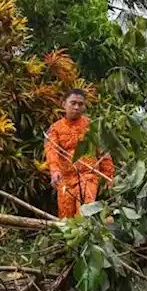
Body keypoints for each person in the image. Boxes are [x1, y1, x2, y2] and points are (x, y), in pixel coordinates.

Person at [45, 89, 114, 218]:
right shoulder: (55, 129)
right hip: (65, 180)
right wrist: (54, 171)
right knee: (66, 219)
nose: (76, 107)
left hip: (88, 176)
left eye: (80, 104)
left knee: (85, 214)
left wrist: (108, 176)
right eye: (73, 103)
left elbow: (103, 153)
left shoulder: (91, 126)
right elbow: (51, 151)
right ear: (64, 104)